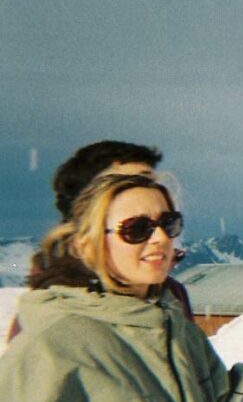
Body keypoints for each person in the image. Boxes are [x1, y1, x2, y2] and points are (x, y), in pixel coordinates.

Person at [0, 173, 237, 402]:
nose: (160, 239)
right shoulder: (52, 345)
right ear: (89, 243)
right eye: (137, 229)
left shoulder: (179, 331)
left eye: (168, 224)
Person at [7, 140, 193, 342]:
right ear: (87, 206)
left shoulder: (169, 295)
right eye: (124, 185)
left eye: (150, 183)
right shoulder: (52, 314)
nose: (144, 193)